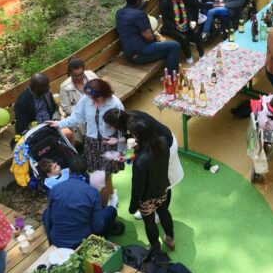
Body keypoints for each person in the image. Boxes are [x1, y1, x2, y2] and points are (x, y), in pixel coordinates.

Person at [55, 77, 124, 205]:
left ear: (104, 93)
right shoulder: (86, 100)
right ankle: (110, 195)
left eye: (96, 98)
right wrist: (59, 124)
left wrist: (120, 148)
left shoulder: (115, 103)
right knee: (94, 172)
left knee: (106, 174)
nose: (92, 100)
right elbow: (76, 117)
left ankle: (108, 201)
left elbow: (122, 127)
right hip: (91, 142)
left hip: (109, 143)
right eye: (90, 97)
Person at [43, 156, 121, 248]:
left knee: (46, 214)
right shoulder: (92, 192)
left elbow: (49, 220)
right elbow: (98, 227)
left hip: (58, 241)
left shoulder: (55, 189)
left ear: (69, 171)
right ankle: (102, 241)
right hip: (83, 242)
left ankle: (52, 244)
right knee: (111, 210)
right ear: (85, 171)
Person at [128, 116, 177, 252]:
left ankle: (155, 246)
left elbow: (138, 186)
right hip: (162, 188)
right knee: (164, 212)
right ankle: (170, 239)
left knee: (149, 222)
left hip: (146, 197)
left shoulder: (140, 160)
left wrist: (133, 205)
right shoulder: (163, 142)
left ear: (138, 136)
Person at [115, 0, 180, 75]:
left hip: (129, 53)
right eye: (141, 0)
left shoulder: (119, 13)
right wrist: (157, 38)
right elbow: (148, 37)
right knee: (175, 46)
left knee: (166, 48)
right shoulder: (140, 14)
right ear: (138, 2)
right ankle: (171, 77)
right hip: (140, 54)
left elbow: (131, 17)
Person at [159, 0, 204, 64]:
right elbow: (166, 21)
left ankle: (201, 54)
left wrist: (191, 21)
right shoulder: (165, 3)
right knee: (183, 38)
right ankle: (188, 55)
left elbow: (190, 12)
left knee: (197, 32)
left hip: (185, 23)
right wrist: (177, 27)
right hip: (172, 27)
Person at [12, 73, 61, 144]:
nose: (48, 88)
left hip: (52, 125)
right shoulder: (22, 102)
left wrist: (56, 120)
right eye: (45, 87)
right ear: (36, 88)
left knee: (68, 134)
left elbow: (55, 108)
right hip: (35, 133)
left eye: (48, 85)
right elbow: (23, 127)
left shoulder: (46, 93)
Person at [58, 58, 98, 144]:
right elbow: (67, 108)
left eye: (81, 74)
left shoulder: (91, 75)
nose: (79, 77)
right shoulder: (64, 87)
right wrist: (85, 108)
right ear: (70, 74)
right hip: (80, 118)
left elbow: (101, 89)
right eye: (76, 76)